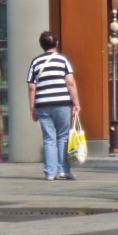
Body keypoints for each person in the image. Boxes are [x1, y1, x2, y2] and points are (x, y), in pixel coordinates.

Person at [27, 30, 81, 181]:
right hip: (62, 103)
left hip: (43, 105)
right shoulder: (63, 61)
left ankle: (50, 173)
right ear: (56, 44)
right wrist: (76, 103)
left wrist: (32, 107)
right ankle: (64, 170)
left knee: (49, 138)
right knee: (63, 136)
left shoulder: (35, 62)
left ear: (41, 45)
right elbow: (70, 83)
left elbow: (32, 87)